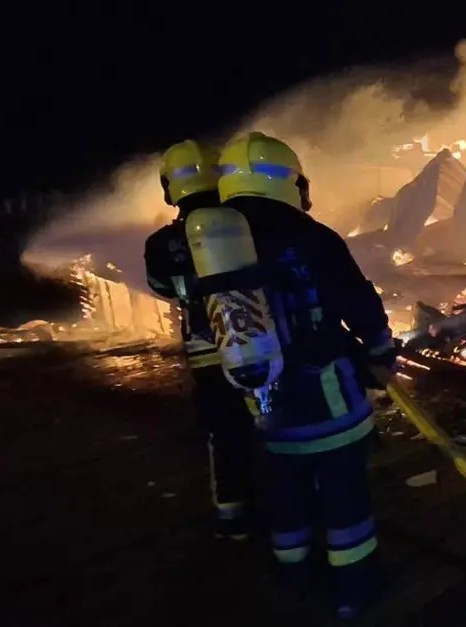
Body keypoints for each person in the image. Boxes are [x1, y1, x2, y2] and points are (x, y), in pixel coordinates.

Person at [212, 131, 395, 618]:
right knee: (344, 498)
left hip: (263, 404)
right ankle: (354, 589)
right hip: (327, 399)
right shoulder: (311, 237)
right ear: (289, 182)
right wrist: (381, 352)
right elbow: (359, 302)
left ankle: (293, 578)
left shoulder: (217, 245)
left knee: (285, 496)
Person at [144, 140, 256, 540]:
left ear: (169, 187)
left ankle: (233, 516)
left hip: (207, 353)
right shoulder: (245, 222)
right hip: (258, 340)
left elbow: (160, 285)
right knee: (274, 424)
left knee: (224, 433)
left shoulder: (162, 242)